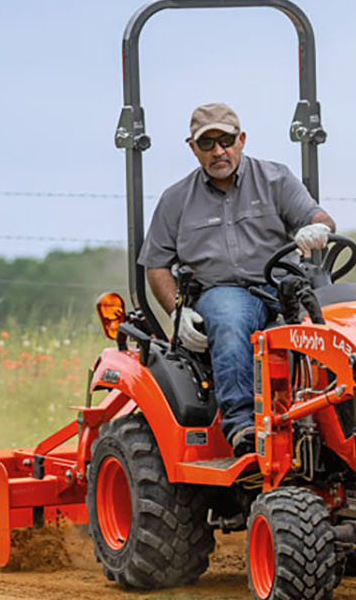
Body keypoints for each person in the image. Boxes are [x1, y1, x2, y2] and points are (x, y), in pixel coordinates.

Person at [137, 102, 334, 455]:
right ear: (192, 148)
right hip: (222, 291)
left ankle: (339, 417)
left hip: (282, 284)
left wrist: (316, 228)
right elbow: (156, 265)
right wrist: (176, 314)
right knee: (230, 320)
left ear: (241, 139)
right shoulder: (176, 200)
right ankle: (243, 427)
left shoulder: (276, 179)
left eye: (225, 140)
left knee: (341, 315)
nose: (218, 151)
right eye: (207, 144)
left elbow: (317, 216)